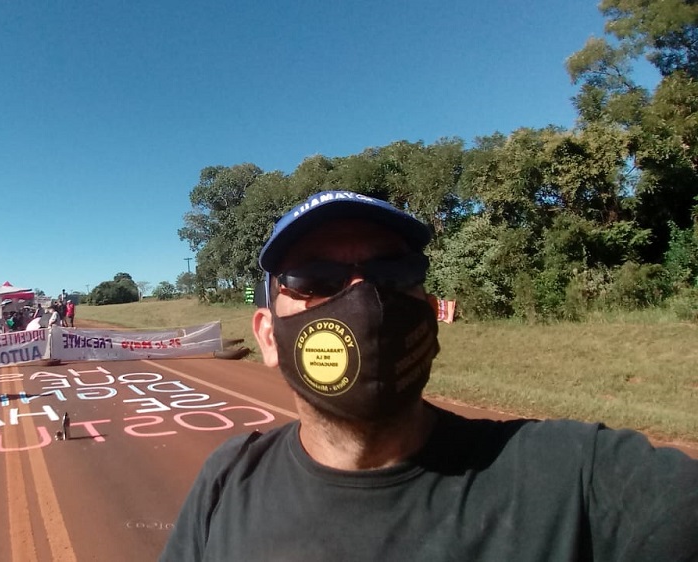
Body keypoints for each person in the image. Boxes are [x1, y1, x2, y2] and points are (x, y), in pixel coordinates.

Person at [160, 191, 698, 561]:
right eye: (315, 278)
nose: (362, 299)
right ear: (267, 335)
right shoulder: (227, 484)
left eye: (393, 273)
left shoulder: (573, 480)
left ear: (427, 305)